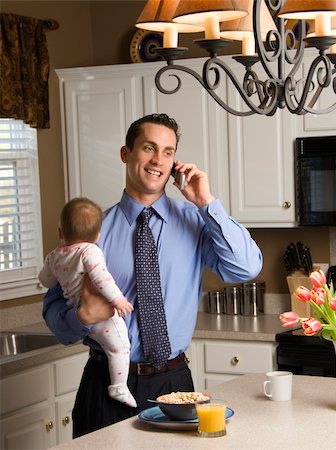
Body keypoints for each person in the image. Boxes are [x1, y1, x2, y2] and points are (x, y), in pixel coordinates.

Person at [43, 113, 263, 438]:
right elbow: (55, 317)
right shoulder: (92, 231)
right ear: (126, 154)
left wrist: (206, 201)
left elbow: (245, 267)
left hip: (174, 383)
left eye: (168, 151)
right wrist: (81, 316)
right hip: (106, 383)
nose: (158, 160)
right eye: (148, 148)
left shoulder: (197, 221)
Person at [38, 197, 136, 408]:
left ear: (60, 233)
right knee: (120, 347)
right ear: (98, 235)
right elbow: (102, 278)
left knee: (114, 348)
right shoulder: (90, 251)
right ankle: (119, 386)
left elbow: (45, 280)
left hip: (78, 308)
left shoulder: (53, 256)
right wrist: (118, 299)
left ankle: (119, 385)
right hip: (101, 320)